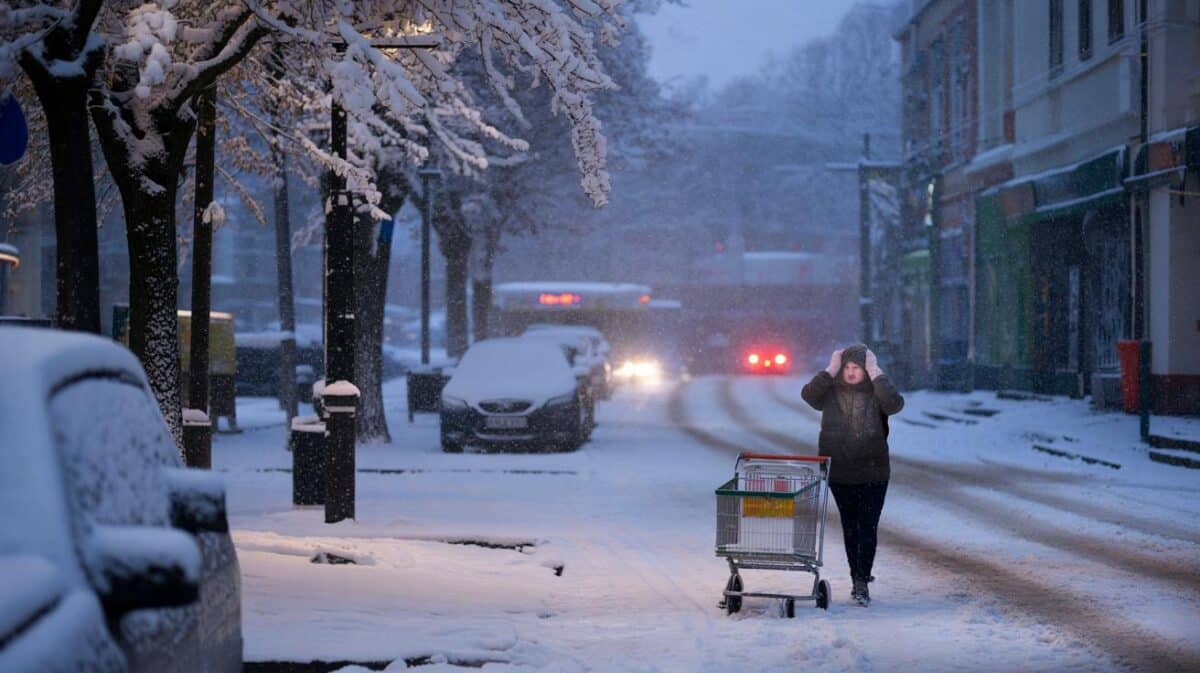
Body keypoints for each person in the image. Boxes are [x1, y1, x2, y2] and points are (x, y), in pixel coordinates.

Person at [801, 344, 903, 606]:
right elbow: (809, 396)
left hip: (874, 472)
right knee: (850, 527)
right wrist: (829, 370)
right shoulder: (829, 392)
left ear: (865, 369)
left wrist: (876, 372)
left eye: (856, 367)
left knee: (867, 526)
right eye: (846, 367)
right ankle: (856, 576)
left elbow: (894, 404)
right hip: (841, 474)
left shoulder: (876, 391)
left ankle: (861, 580)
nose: (850, 372)